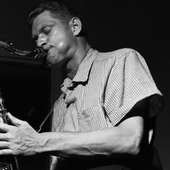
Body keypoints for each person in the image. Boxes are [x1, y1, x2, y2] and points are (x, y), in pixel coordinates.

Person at [0, 1, 164, 170]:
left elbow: (129, 140)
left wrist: (37, 141)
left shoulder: (120, 61)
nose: (39, 42)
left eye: (46, 31)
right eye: (35, 38)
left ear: (75, 26)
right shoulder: (59, 105)